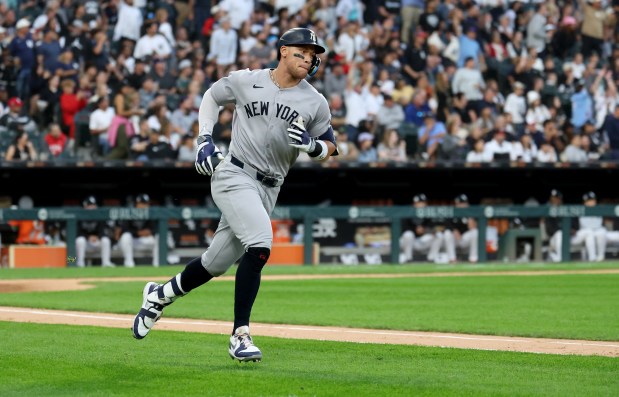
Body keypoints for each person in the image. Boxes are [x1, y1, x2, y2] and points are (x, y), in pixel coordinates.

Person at [131, 27, 337, 363]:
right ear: (283, 51)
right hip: (234, 173)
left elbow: (331, 144)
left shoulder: (314, 100)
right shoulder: (247, 80)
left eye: (314, 54)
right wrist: (203, 139)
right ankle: (240, 334)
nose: (310, 57)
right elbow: (212, 96)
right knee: (260, 245)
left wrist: (316, 148)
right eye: (303, 50)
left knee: (215, 264)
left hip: (270, 187)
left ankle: (158, 296)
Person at [399, 194, 443, 263]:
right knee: (408, 234)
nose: (422, 205)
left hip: (423, 241)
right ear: (414, 204)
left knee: (439, 235)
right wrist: (415, 230)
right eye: (419, 203)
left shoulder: (429, 213)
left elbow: (433, 229)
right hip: (410, 242)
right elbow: (402, 230)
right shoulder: (407, 213)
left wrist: (424, 230)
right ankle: (408, 259)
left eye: (423, 203)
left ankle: (431, 259)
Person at [118, 193, 159, 268]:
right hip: (133, 241)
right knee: (125, 236)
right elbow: (124, 229)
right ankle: (129, 264)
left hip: (145, 240)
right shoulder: (129, 212)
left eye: (146, 203)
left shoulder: (150, 212)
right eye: (143, 203)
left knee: (158, 237)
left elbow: (156, 228)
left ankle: (157, 264)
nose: (145, 206)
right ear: (137, 203)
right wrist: (138, 233)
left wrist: (150, 232)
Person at [75, 196, 115, 268]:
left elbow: (104, 231)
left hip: (97, 242)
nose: (92, 207)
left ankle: (106, 263)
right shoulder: (79, 216)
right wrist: (88, 237)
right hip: (85, 243)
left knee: (105, 240)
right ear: (85, 206)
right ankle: (79, 263)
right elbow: (76, 233)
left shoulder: (100, 215)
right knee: (80, 240)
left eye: (93, 205)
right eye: (90, 205)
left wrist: (97, 237)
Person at [443, 194, 479, 263]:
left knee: (475, 232)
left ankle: (473, 258)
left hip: (465, 240)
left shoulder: (471, 212)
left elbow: (474, 227)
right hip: (455, 240)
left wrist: (471, 221)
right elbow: (446, 224)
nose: (463, 205)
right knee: (447, 233)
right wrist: (454, 230)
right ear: (456, 204)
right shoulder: (452, 212)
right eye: (461, 203)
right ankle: (452, 259)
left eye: (465, 203)